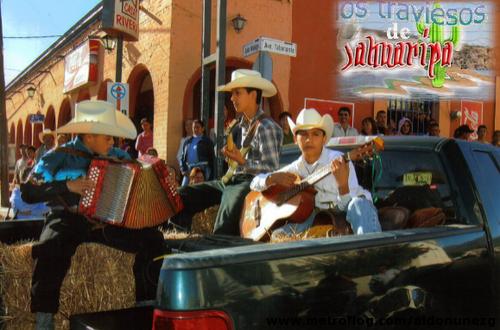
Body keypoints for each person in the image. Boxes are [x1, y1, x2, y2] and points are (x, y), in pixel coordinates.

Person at [21, 101, 166, 330]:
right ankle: (44, 320)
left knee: (153, 239)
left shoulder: (117, 155)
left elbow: (142, 175)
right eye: (108, 138)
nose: (113, 143)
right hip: (66, 219)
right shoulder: (58, 156)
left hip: (107, 222)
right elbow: (28, 191)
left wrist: (155, 175)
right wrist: (68, 186)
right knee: (50, 247)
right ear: (90, 136)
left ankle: (145, 307)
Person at [169, 69, 283, 235]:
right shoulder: (241, 124)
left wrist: (242, 161)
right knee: (181, 195)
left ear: (253, 95)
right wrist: (232, 158)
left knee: (224, 221)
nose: (232, 98)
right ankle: (178, 239)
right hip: (231, 180)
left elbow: (271, 169)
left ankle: (217, 249)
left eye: (237, 93)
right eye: (232, 94)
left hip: (249, 183)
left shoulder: (266, 126)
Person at [250, 108, 381, 238]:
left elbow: (347, 206)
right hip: (315, 216)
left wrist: (343, 187)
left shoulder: (340, 160)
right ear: (295, 139)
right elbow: (254, 182)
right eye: (304, 134)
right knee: (278, 235)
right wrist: (271, 178)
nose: (309, 139)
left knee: (358, 204)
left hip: (350, 210)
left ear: (324, 139)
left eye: (315, 134)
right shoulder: (295, 168)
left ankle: (372, 251)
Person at [180, 119, 215, 186]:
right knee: (184, 188)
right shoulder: (187, 142)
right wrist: (183, 170)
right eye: (194, 127)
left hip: (203, 168)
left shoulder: (207, 141)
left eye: (197, 127)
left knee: (203, 189)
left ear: (203, 128)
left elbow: (212, 158)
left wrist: (212, 174)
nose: (195, 129)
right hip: (190, 169)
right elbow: (182, 157)